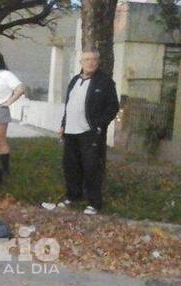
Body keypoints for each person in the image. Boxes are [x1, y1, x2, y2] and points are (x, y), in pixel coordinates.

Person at [45, 50, 119, 215]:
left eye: (93, 60)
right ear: (81, 62)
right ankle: (73, 196)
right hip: (71, 132)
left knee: (91, 166)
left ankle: (94, 202)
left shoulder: (105, 82)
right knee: (70, 166)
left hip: (89, 132)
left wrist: (99, 125)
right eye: (86, 60)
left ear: (98, 62)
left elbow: (113, 107)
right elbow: (69, 106)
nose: (90, 63)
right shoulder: (74, 80)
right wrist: (63, 125)